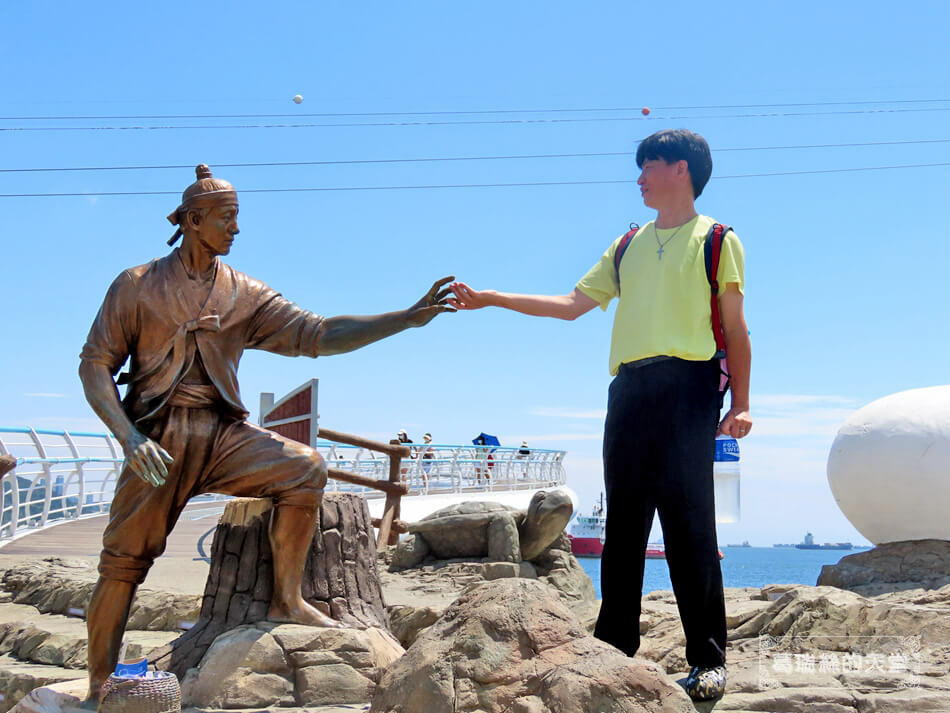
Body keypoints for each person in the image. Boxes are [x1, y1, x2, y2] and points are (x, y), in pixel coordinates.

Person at [78, 165, 454, 706]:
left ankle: (285, 598)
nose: (236, 229)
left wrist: (405, 318)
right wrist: (129, 439)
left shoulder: (243, 292)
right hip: (158, 439)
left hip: (224, 435)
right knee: (122, 564)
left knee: (306, 468)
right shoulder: (136, 285)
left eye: (236, 217)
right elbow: (94, 364)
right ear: (192, 220)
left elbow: (320, 333)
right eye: (226, 218)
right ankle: (98, 685)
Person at [448, 129, 752, 702]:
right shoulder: (627, 243)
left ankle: (708, 658)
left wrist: (742, 405)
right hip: (630, 387)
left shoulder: (717, 239)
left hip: (689, 386)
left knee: (690, 526)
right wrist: (491, 297)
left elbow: (735, 330)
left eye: (649, 166)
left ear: (680, 170)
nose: (639, 178)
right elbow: (570, 307)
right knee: (625, 522)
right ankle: (614, 646)